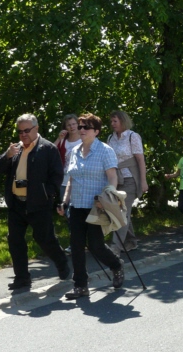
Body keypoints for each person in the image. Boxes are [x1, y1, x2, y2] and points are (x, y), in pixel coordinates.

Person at [0, 114, 70, 290]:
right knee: (15, 241)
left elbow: (57, 175)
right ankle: (22, 278)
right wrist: (7, 155)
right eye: (20, 131)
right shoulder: (16, 148)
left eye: (27, 130)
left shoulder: (48, 148)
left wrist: (46, 194)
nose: (23, 135)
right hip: (17, 204)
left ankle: (62, 263)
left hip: (38, 204)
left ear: (36, 128)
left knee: (44, 239)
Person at [57, 113, 124, 299]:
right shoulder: (74, 151)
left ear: (96, 131)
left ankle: (116, 265)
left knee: (96, 245)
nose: (82, 130)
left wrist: (107, 197)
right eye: (80, 127)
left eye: (86, 127)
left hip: (97, 206)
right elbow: (71, 180)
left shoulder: (105, 151)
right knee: (76, 246)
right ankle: (80, 286)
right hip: (77, 206)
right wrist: (65, 201)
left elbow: (112, 178)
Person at [107, 110, 149, 255]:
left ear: (123, 121)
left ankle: (116, 246)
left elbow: (140, 160)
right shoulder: (111, 138)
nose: (112, 124)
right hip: (115, 178)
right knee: (120, 210)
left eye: (115, 121)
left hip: (130, 179)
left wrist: (143, 181)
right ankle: (131, 241)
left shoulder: (132, 136)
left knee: (122, 211)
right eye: (111, 121)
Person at [54, 114, 82, 254]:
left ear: (78, 124)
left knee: (79, 213)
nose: (72, 127)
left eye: (74, 124)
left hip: (80, 181)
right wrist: (59, 138)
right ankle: (75, 243)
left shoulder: (84, 138)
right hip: (65, 181)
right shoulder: (63, 141)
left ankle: (83, 242)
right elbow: (50, 151)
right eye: (68, 125)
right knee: (67, 213)